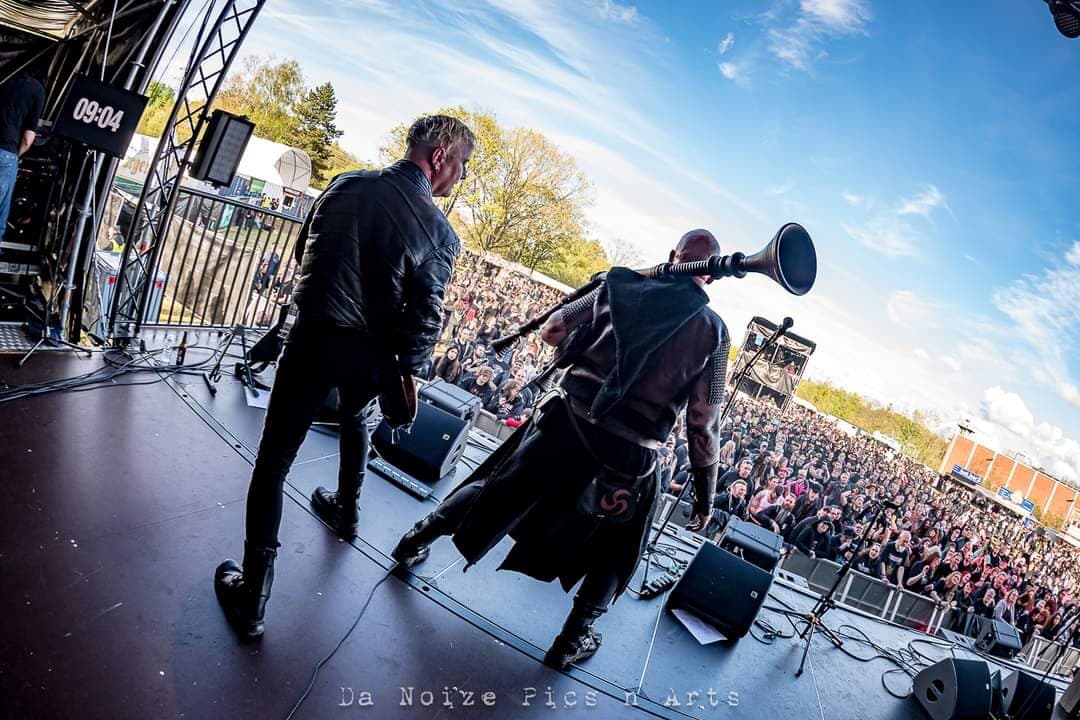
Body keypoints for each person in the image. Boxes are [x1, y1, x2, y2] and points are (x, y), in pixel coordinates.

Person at [391, 229, 730, 670]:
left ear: (673, 255)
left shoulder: (619, 285)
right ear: (714, 278)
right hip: (629, 457)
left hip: (567, 425)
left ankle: (415, 539)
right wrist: (706, 490)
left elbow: (553, 331)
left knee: (498, 490)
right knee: (619, 546)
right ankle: (571, 639)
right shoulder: (713, 331)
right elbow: (703, 422)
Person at [214, 115, 475, 638]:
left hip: (312, 336)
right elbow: (425, 317)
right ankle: (349, 511)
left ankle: (254, 595)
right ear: (441, 156)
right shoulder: (441, 233)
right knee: (357, 416)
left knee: (273, 463)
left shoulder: (345, 182)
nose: (461, 178)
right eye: (463, 166)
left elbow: (301, 251)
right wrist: (410, 376)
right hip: (369, 356)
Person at [0, 70, 45, 241]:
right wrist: (15, 156)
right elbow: (28, 139)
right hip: (6, 153)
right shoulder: (38, 90)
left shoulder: (7, 80)